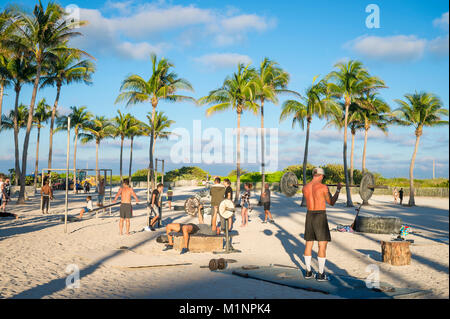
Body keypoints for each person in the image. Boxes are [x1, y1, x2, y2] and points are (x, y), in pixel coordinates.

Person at [302, 167, 341, 282]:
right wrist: (338, 190)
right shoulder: (323, 187)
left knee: (308, 244)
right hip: (320, 215)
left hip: (309, 215)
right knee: (322, 245)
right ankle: (320, 274)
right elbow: (332, 202)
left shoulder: (305, 188)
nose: (323, 178)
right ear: (320, 175)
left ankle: (308, 272)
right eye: (323, 176)